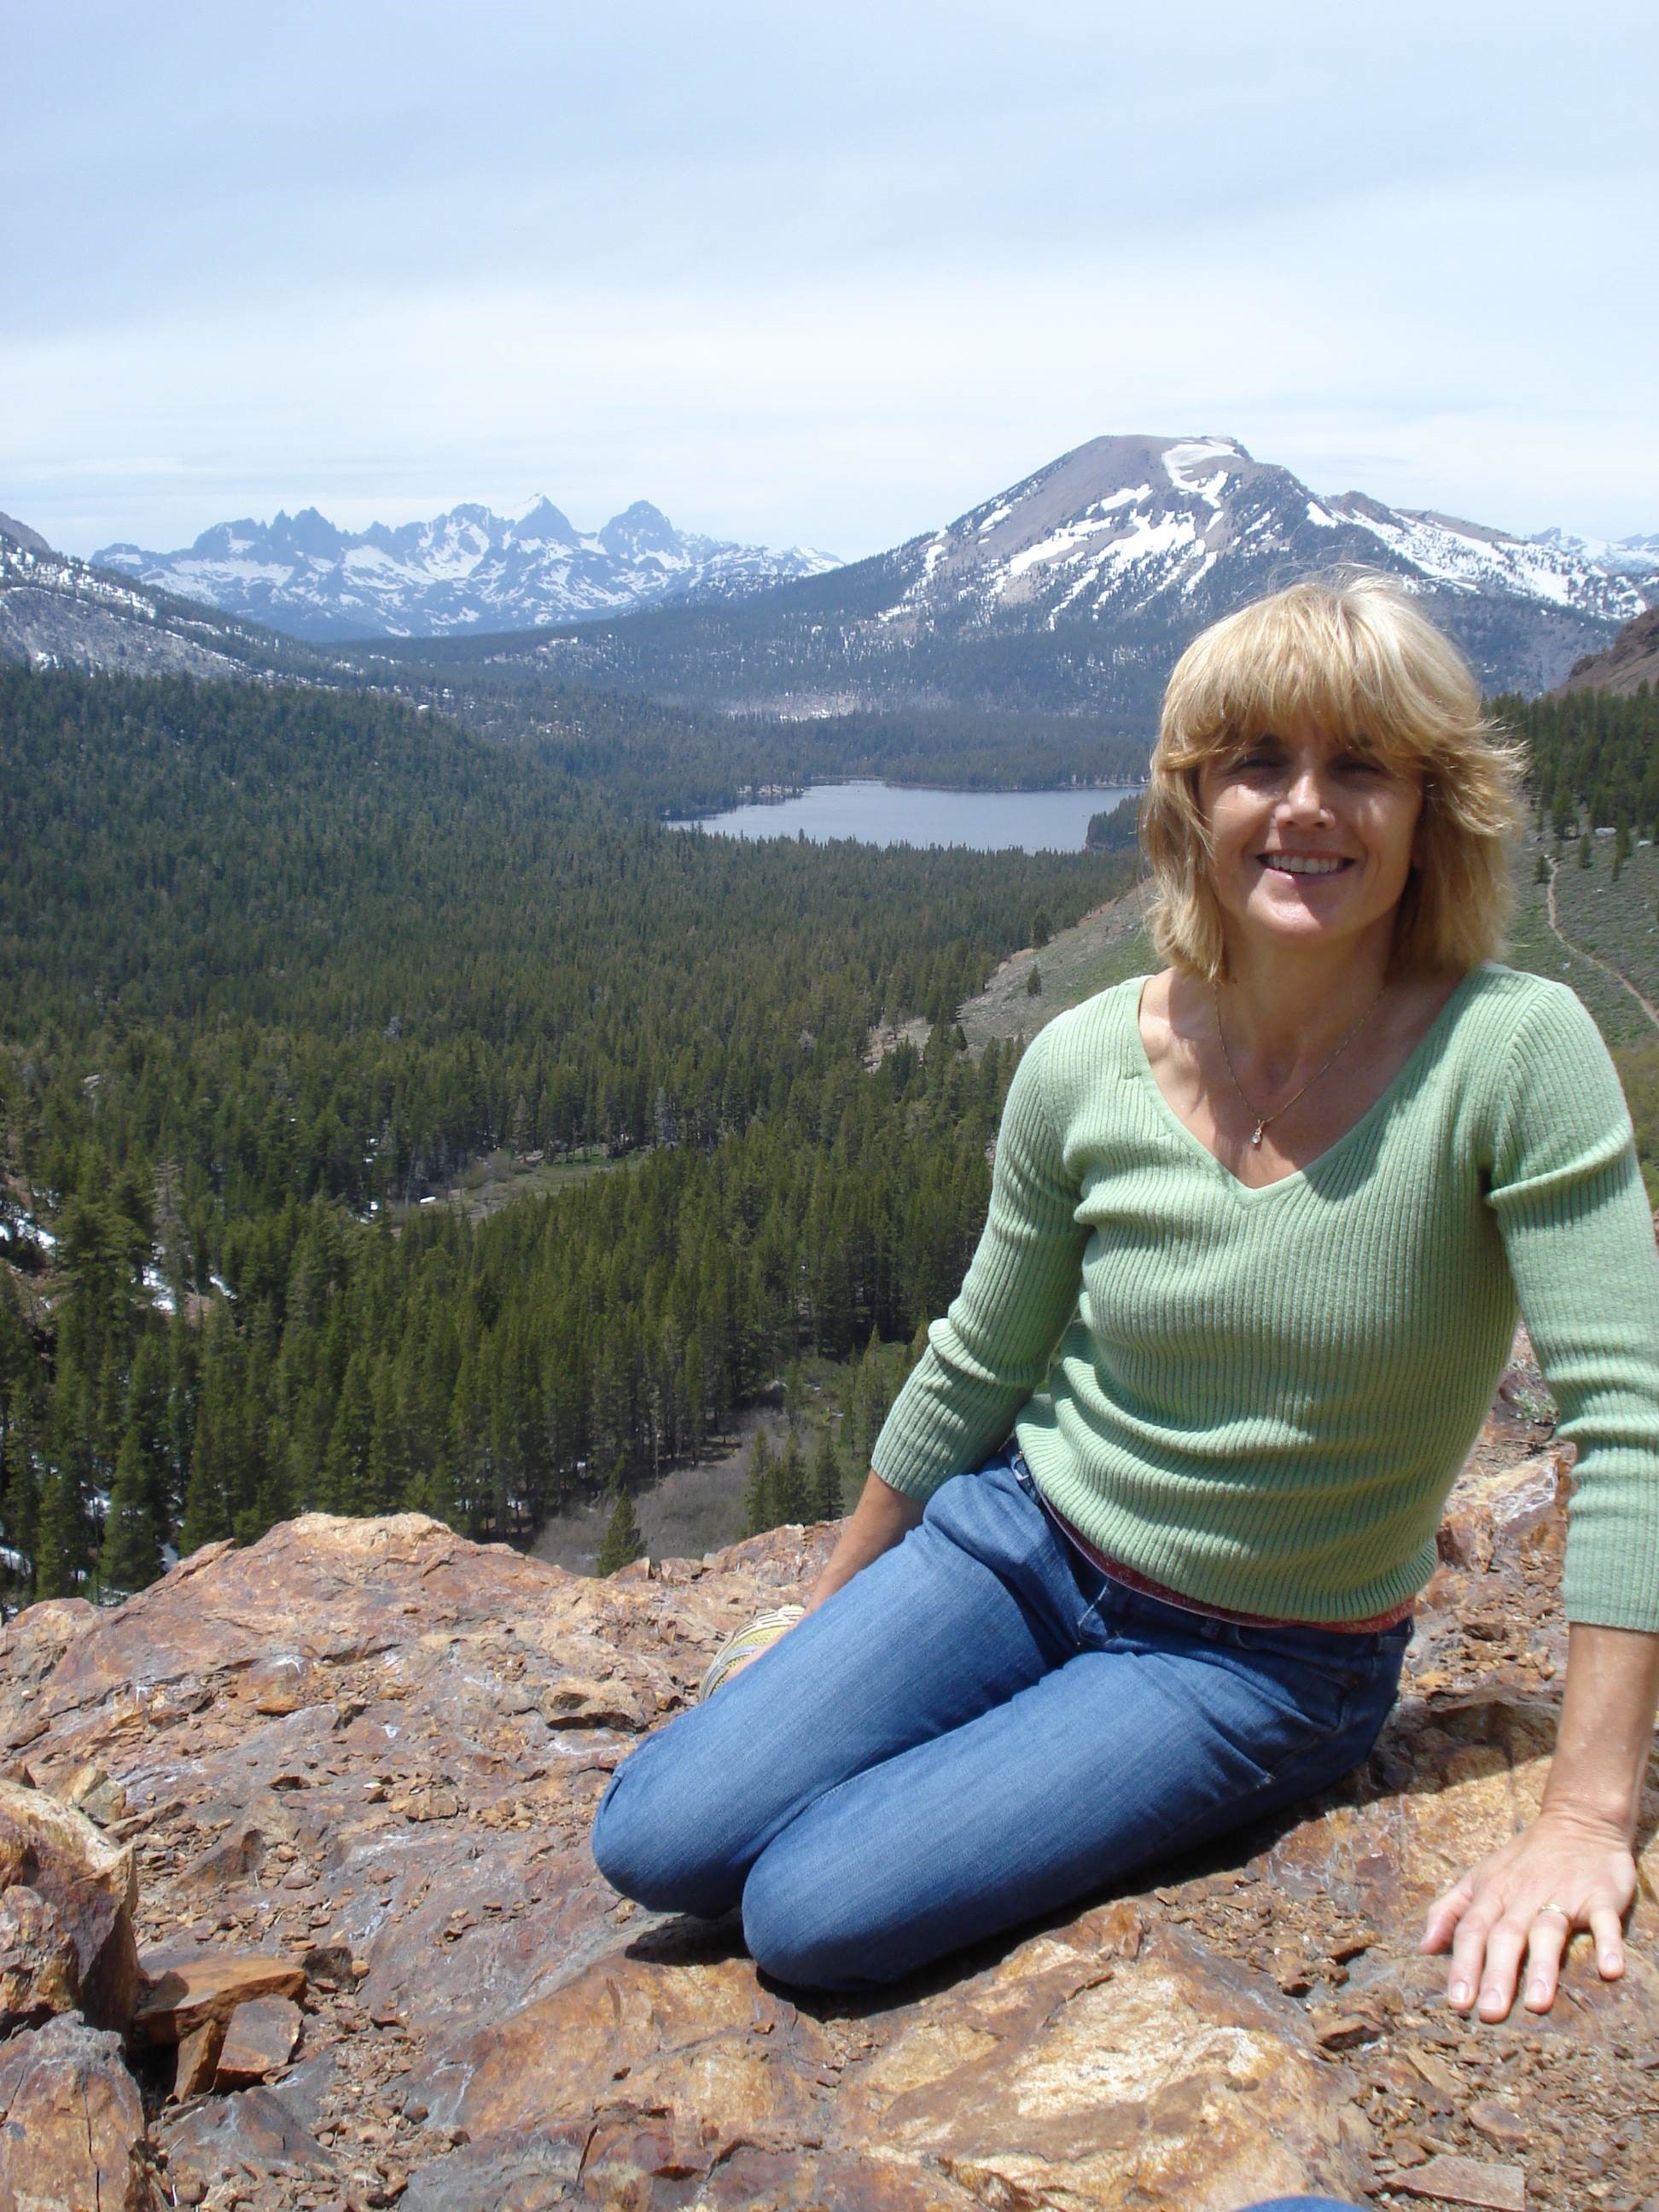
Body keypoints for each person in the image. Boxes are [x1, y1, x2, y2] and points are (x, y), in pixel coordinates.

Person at [593, 575, 1659, 2018]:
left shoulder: (1512, 1055)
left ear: (1432, 810)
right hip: (1019, 1545)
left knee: (806, 1911)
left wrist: (1589, 1818)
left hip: (1259, 1659)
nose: (1305, 808)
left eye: (1360, 766)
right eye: (1256, 765)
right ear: (1192, 803)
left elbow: (1632, 1428)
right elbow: (980, 1361)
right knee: (653, 1836)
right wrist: (835, 1613)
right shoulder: (1090, 1057)